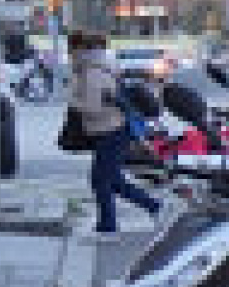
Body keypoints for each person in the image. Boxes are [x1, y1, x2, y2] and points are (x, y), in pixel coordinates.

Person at [69, 30, 163, 235]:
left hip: (110, 130)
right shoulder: (102, 66)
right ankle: (152, 207)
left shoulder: (91, 72)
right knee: (109, 179)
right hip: (113, 129)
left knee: (102, 180)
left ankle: (109, 225)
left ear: (80, 50)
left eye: (72, 50)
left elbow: (92, 108)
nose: (70, 55)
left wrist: (74, 102)